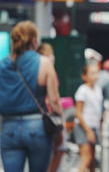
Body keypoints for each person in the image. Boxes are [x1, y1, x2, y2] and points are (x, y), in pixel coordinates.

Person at [0, 21, 62, 172]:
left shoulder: (2, 65)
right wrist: (60, 128)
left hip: (9, 128)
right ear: (34, 41)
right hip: (37, 128)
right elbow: (54, 100)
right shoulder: (44, 63)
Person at [37, 43, 66, 172]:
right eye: (49, 53)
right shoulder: (49, 69)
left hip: (39, 116)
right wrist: (60, 115)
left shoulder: (35, 69)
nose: (52, 56)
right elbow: (53, 98)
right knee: (59, 148)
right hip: (51, 116)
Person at [74, 64, 103, 172]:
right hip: (84, 127)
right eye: (92, 73)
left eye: (97, 73)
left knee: (92, 162)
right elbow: (78, 113)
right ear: (84, 76)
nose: (95, 76)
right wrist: (88, 131)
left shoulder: (98, 89)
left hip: (93, 126)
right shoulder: (82, 90)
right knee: (86, 157)